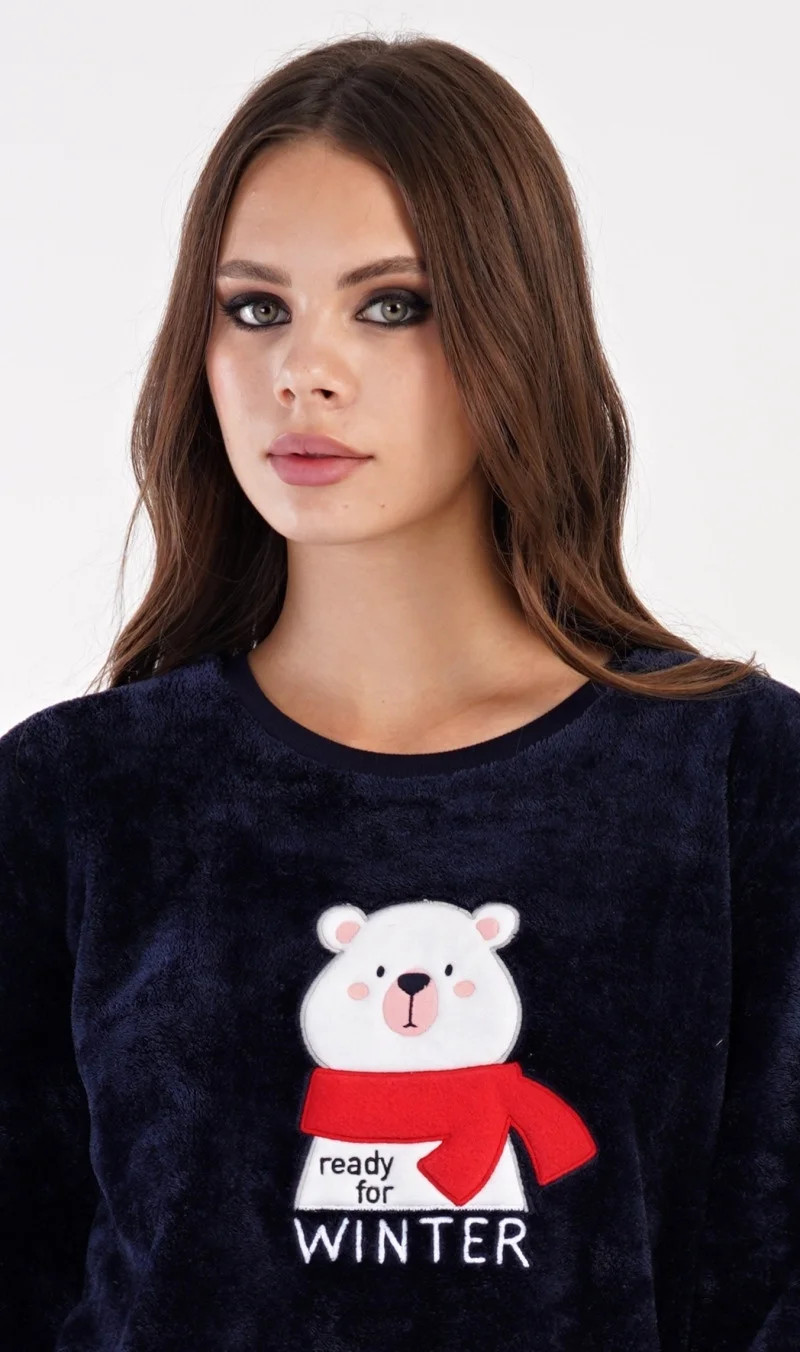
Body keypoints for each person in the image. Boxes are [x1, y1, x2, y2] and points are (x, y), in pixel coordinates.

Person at [1, 31, 798, 1352]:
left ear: (516, 330)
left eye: (392, 305)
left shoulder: (741, 783)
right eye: (254, 308)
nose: (302, 369)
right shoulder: (72, 799)